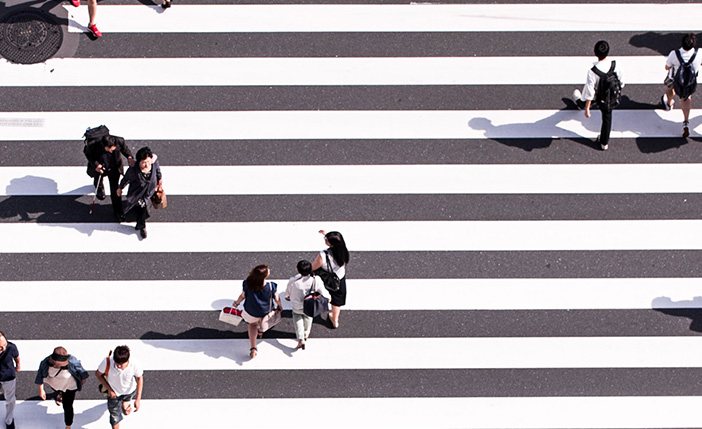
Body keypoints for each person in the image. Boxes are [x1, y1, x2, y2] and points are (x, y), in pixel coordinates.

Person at [571, 40, 624, 150]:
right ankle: (604, 142)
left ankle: (581, 103)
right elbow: (621, 81)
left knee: (589, 90)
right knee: (607, 119)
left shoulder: (593, 72)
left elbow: (590, 92)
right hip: (612, 96)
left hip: (601, 97)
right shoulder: (616, 64)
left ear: (595, 53)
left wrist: (587, 108)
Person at [233, 264, 282, 358]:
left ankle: (253, 348)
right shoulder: (271, 286)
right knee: (263, 321)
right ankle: (261, 330)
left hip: (251, 310)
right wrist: (280, 306)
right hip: (265, 310)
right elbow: (276, 298)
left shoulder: (247, 284)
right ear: (266, 276)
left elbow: (242, 296)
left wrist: (236, 303)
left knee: (252, 325)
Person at [35, 347, 89, 429]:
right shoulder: (45, 363)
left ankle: (68, 425)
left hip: (70, 387)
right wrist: (41, 390)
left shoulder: (72, 361)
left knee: (68, 406)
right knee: (58, 390)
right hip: (55, 384)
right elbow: (40, 375)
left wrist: (83, 379)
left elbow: (81, 371)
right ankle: (59, 394)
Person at [84, 133, 135, 221]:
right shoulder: (94, 144)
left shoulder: (119, 140)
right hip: (101, 166)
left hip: (114, 168)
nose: (111, 151)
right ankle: (99, 186)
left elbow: (125, 149)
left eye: (113, 149)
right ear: (103, 145)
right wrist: (96, 165)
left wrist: (129, 157)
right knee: (98, 179)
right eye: (109, 149)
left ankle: (117, 211)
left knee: (115, 189)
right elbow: (88, 153)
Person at [116, 147, 162, 239]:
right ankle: (142, 226)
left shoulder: (154, 164)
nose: (146, 164)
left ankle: (140, 222)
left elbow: (158, 172)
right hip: (137, 193)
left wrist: (159, 183)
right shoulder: (133, 171)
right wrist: (120, 188)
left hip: (149, 192)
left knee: (142, 206)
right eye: (143, 162)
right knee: (142, 207)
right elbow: (126, 180)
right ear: (139, 162)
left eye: (148, 162)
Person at [662, 33, 701, 138]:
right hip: (689, 82)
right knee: (686, 98)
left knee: (669, 89)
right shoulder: (699, 54)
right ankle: (686, 122)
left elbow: (667, 67)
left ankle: (669, 104)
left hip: (674, 79)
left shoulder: (674, 54)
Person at [95, 345, 144, 429]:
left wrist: (138, 399)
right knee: (114, 417)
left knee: (126, 401)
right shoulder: (107, 362)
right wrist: (110, 389)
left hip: (130, 391)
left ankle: (125, 402)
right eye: (116, 364)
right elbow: (98, 374)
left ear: (128, 360)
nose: (118, 367)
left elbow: (139, 378)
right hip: (113, 393)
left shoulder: (135, 364)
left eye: (121, 365)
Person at [285, 260, 329, 350]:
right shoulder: (315, 280)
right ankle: (306, 334)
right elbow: (323, 292)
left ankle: (300, 338)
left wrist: (287, 297)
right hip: (310, 305)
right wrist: (328, 298)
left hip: (297, 305)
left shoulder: (293, 281)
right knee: (308, 318)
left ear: (298, 270)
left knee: (297, 318)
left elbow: (287, 294)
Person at [312, 230, 350, 329]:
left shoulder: (323, 255)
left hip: (325, 278)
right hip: (338, 278)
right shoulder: (344, 251)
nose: (325, 240)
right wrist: (327, 235)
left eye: (326, 240)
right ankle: (335, 320)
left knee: (318, 293)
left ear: (331, 244)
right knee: (337, 300)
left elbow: (314, 267)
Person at [0, 332, 19, 429]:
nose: (3, 349)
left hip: (8, 376)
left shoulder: (11, 347)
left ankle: (9, 419)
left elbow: (16, 357)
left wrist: (18, 365)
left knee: (11, 400)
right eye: (0, 347)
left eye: (4, 345)